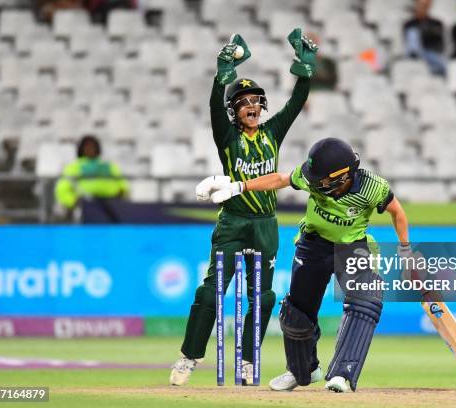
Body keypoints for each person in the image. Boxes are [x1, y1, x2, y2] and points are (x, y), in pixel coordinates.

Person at [203, 138, 411, 392]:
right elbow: (280, 179)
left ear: (341, 176)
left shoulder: (372, 187)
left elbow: (397, 212)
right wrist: (240, 187)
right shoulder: (311, 176)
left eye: (320, 179)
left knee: (366, 301)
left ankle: (343, 375)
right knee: (295, 314)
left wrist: (404, 248)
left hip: (352, 247)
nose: (313, 182)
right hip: (313, 244)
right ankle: (303, 371)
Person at [170, 29, 316, 387]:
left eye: (256, 100)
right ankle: (189, 357)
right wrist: (222, 76)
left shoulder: (273, 132)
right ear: (234, 110)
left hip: (265, 226)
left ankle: (249, 362)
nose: (251, 106)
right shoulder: (228, 137)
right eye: (243, 101)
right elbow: (212, 107)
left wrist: (305, 69)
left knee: (262, 298)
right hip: (233, 223)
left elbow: (296, 103)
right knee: (210, 293)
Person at [54, 135, 129, 215]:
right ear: (81, 149)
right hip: (86, 207)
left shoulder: (109, 166)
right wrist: (74, 201)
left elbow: (123, 184)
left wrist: (120, 196)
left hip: (112, 206)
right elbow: (62, 189)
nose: (90, 149)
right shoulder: (73, 167)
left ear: (98, 148)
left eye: (93, 146)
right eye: (87, 146)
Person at [403, 0, 446, 75]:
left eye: (425, 5)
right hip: (415, 54)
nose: (422, 8)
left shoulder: (437, 23)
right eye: (420, 5)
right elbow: (410, 43)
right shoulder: (409, 24)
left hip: (433, 53)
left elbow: (438, 42)